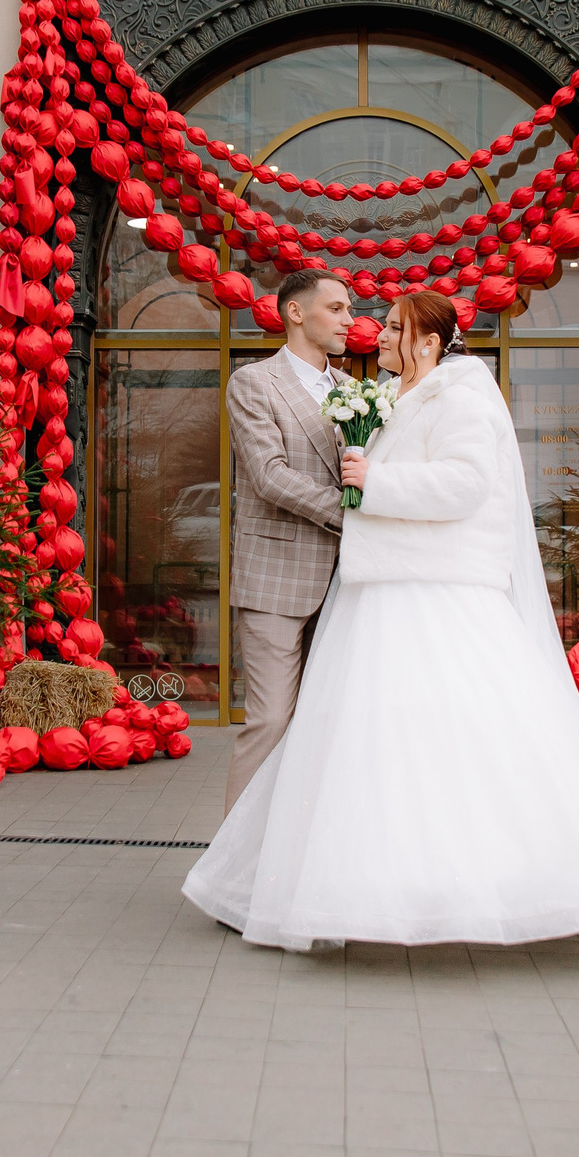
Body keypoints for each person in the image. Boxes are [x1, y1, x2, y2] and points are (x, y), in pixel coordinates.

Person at [185, 289, 579, 952]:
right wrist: (360, 492)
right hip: (373, 588)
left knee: (446, 742)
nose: (376, 333)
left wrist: (371, 486)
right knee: (356, 746)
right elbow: (290, 474)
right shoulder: (390, 395)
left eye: (392, 327)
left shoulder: (460, 395)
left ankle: (478, 885)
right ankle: (317, 880)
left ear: (428, 341)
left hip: (430, 591)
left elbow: (465, 483)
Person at [221, 267, 353, 813]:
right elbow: (269, 476)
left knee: (328, 726)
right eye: (337, 308)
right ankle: (234, 855)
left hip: (347, 584)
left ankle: (299, 847)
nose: (349, 320)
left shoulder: (353, 391)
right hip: (275, 578)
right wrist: (354, 516)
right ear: (295, 312)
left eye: (349, 309)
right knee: (272, 719)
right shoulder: (253, 383)